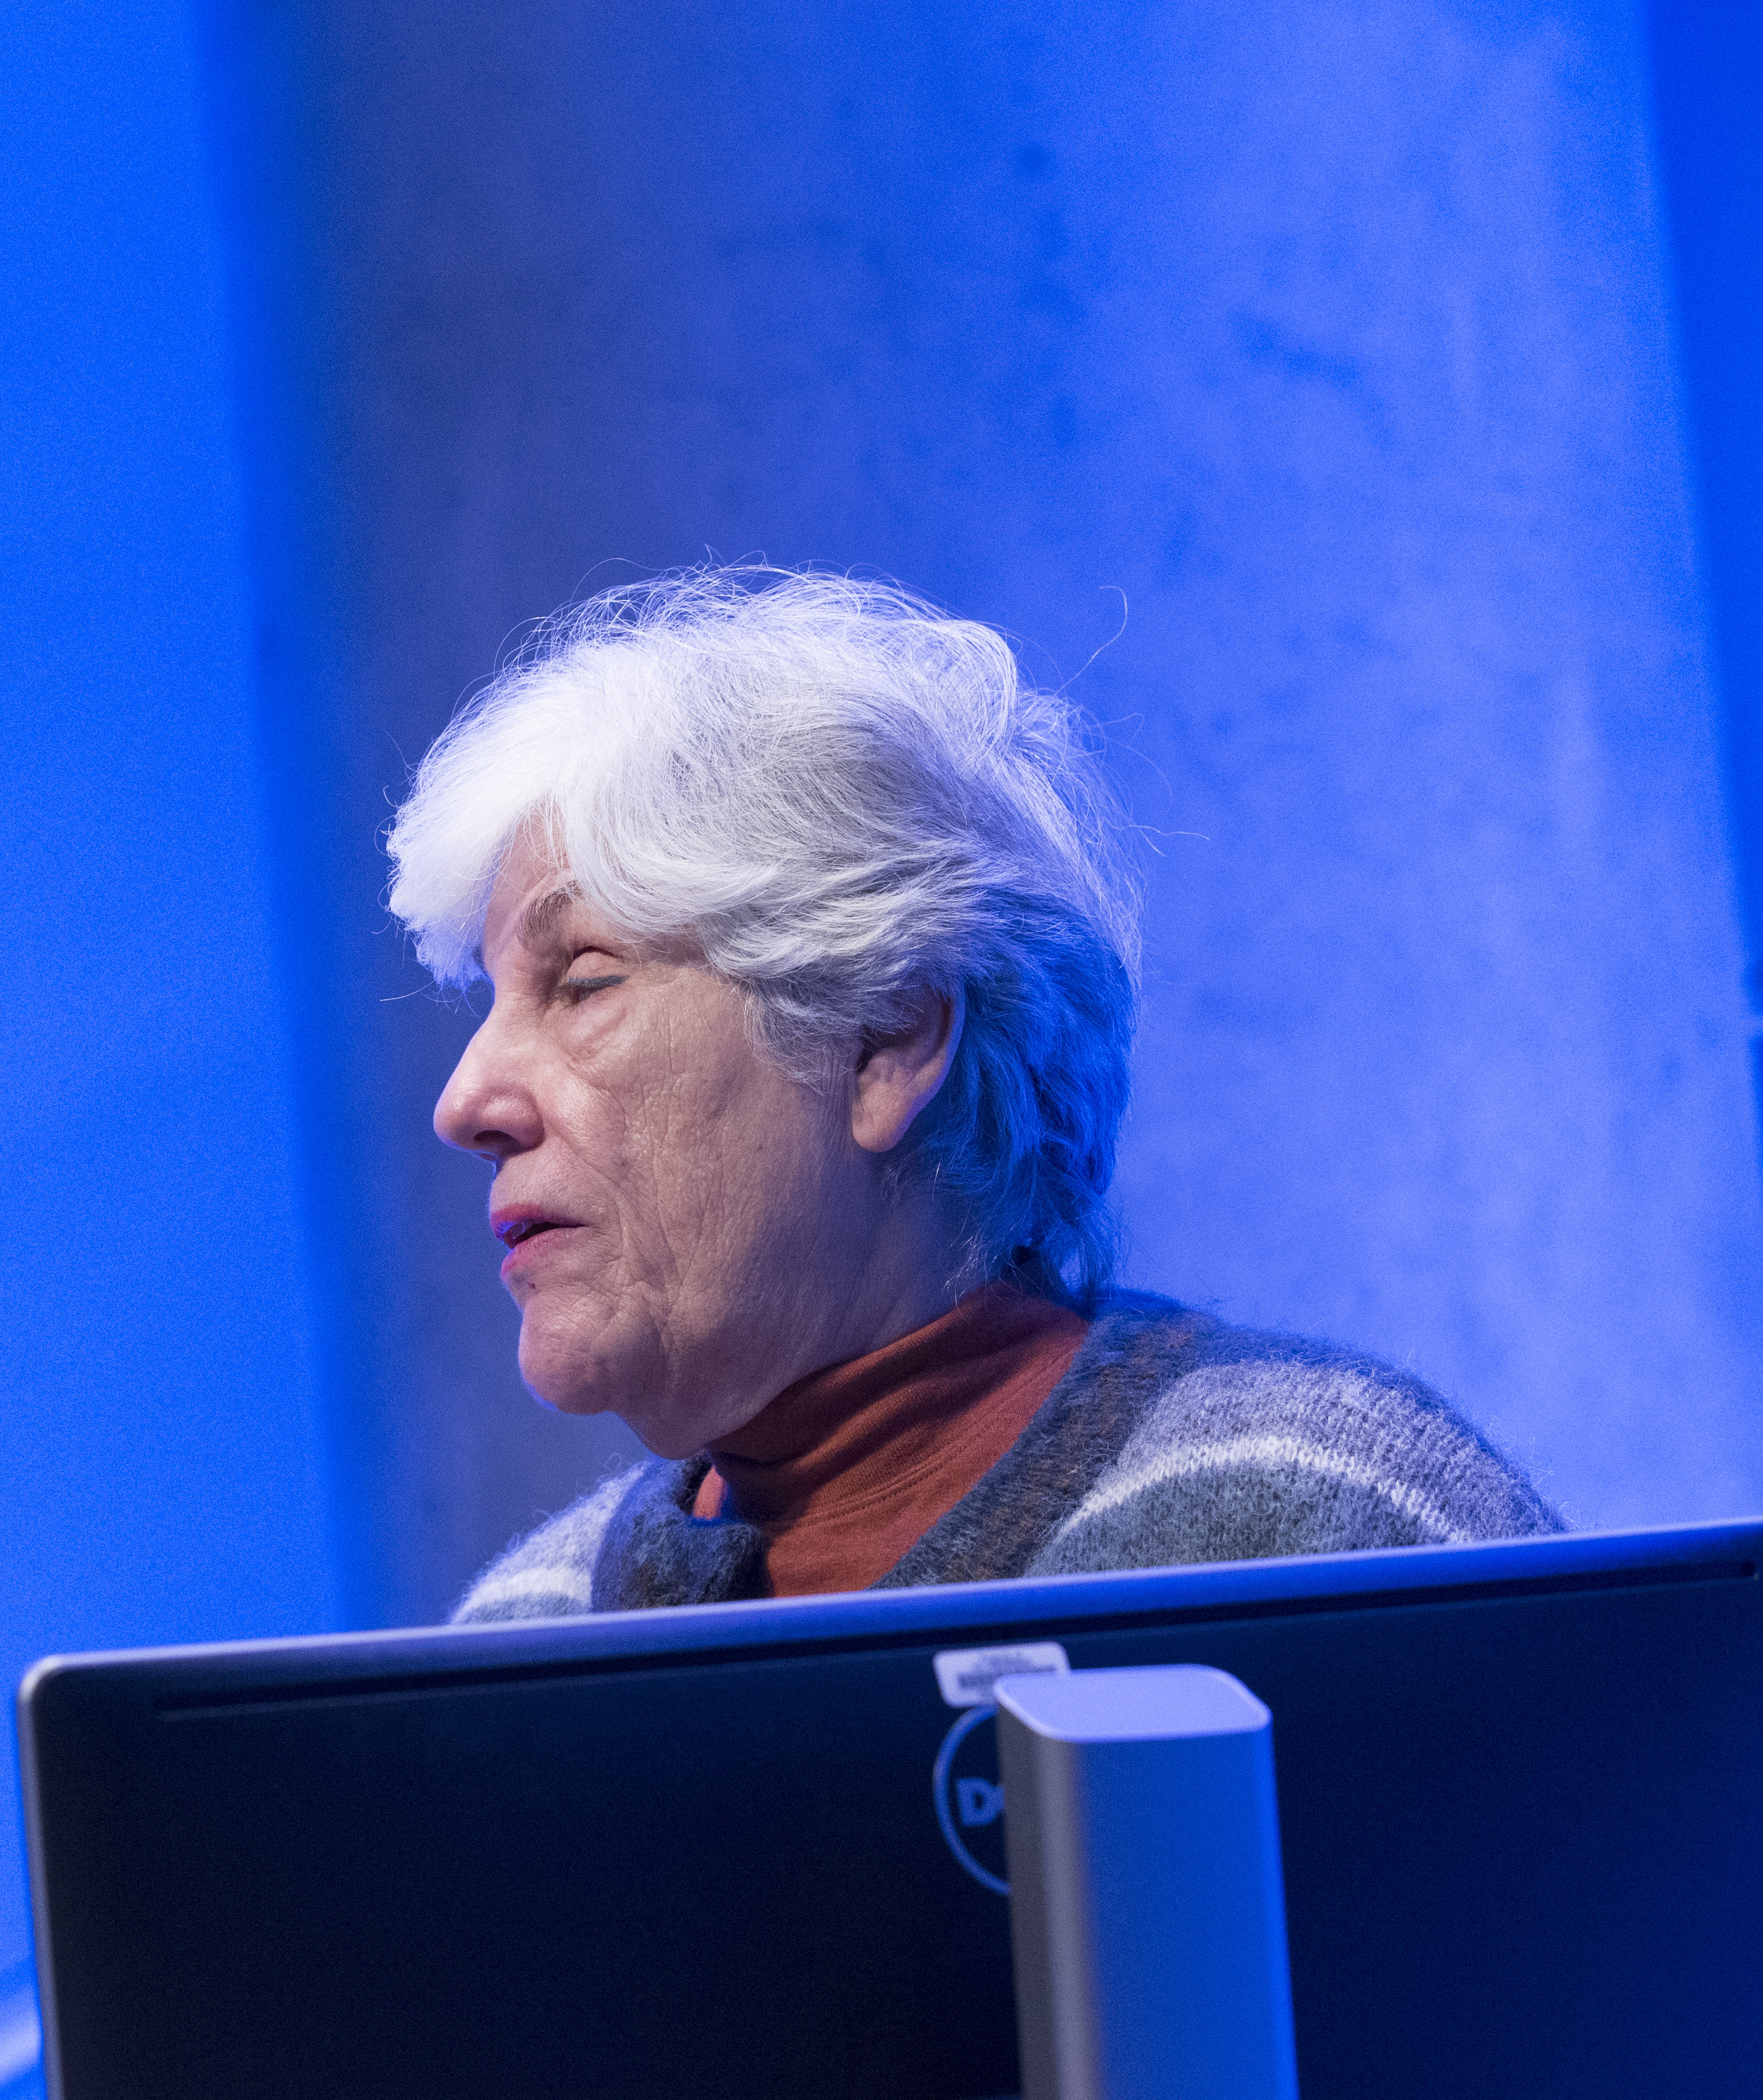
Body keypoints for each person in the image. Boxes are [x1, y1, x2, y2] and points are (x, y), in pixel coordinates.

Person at [388, 568, 1561, 1622]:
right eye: (490, 1002)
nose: (465, 1099)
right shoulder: (525, 1626)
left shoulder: (1314, 1520)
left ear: (887, 1038)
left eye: (583, 982)